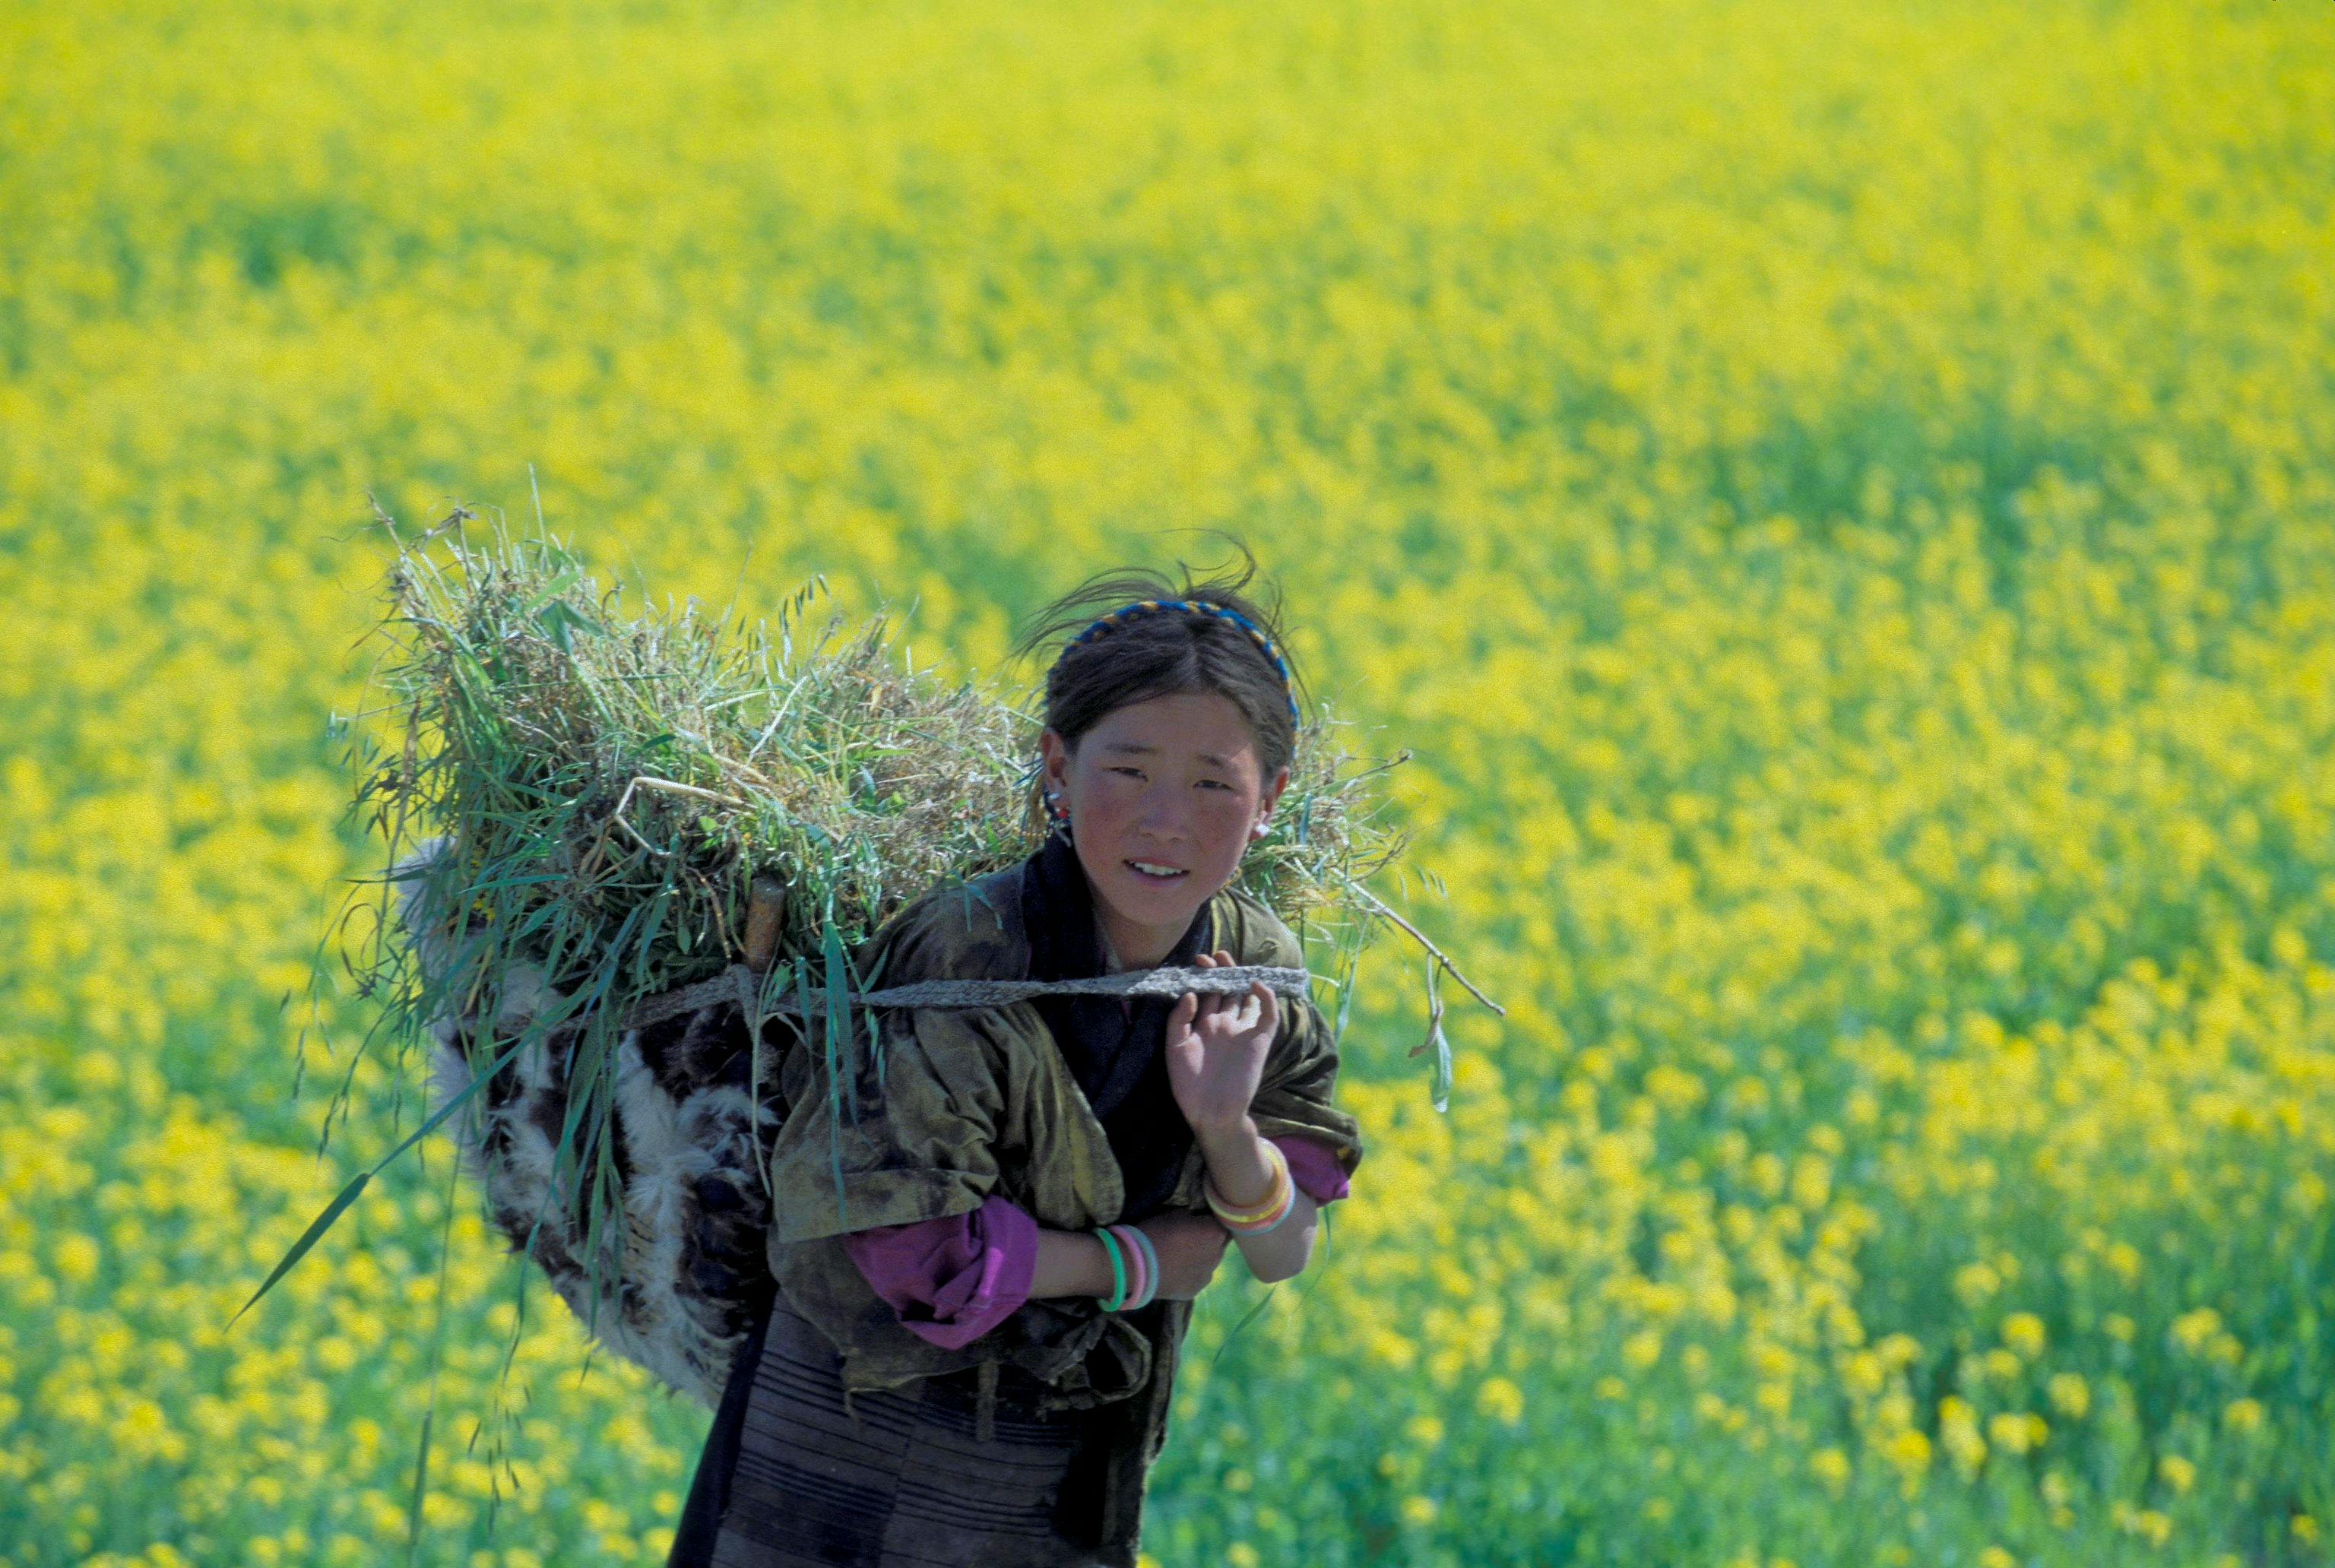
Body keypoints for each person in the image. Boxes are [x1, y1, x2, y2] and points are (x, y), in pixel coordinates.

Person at [664, 556, 1364, 1568]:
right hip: (837, 1450)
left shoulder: (1257, 971)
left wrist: (1225, 1128)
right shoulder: (962, 953)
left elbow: (1279, 1248)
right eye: (1127, 770)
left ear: (1272, 798)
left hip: (1059, 1474)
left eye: (1214, 783)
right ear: (1055, 766)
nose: (1166, 819)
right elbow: (920, 1257)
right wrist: (1138, 1261)